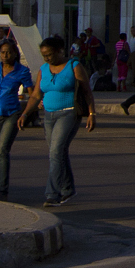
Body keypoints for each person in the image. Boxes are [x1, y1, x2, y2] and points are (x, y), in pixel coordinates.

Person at [21, 36, 95, 208]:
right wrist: (24, 114)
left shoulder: (73, 66)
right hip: (49, 115)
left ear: (60, 51)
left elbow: (86, 91)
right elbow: (36, 95)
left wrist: (91, 113)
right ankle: (68, 189)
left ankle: (52, 194)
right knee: (58, 153)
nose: (47, 58)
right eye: (44, 55)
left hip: (68, 114)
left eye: (50, 54)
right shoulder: (43, 70)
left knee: (55, 152)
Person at [0, 41, 33, 200]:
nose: (5, 56)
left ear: (15, 54)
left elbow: (31, 94)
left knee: (2, 150)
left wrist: (26, 113)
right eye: (2, 52)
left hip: (11, 113)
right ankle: (0, 185)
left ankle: (2, 190)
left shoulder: (22, 71)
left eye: (8, 52)